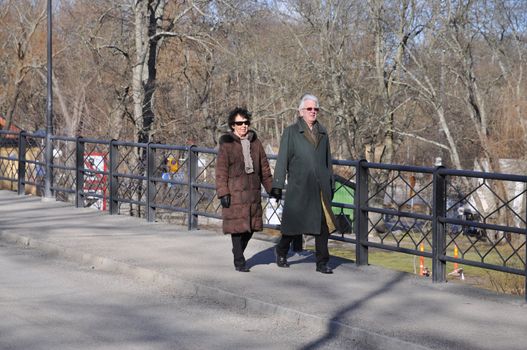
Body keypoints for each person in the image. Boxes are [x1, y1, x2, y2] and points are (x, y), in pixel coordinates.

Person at [269, 94, 337, 274]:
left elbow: (327, 161)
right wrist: (277, 185)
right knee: (293, 227)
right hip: (299, 186)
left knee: (323, 225)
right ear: (301, 112)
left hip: (320, 187)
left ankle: (322, 263)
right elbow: (282, 159)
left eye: (316, 109)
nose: (313, 112)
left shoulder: (323, 132)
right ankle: (281, 251)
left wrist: (331, 182)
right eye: (309, 109)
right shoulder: (291, 132)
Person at [215, 107, 275, 272]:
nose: (243, 126)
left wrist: (271, 188)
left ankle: (237, 251)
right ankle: (239, 261)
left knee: (251, 228)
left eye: (246, 123)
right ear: (233, 125)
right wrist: (223, 192)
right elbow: (221, 171)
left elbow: (264, 169)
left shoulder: (255, 143)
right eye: (239, 123)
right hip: (234, 193)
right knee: (237, 228)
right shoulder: (227, 144)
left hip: (252, 192)